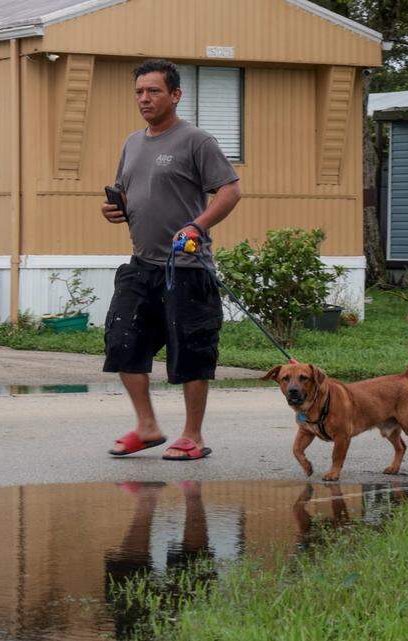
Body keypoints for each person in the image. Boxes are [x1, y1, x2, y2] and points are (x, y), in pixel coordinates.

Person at [102, 59, 241, 461]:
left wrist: (197, 225)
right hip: (140, 265)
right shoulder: (131, 143)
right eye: (139, 92)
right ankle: (147, 427)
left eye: (154, 91)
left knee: (191, 350)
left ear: (175, 95)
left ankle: (192, 436)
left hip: (187, 268)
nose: (144, 98)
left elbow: (229, 191)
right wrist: (115, 210)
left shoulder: (196, 141)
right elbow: (128, 196)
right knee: (122, 341)